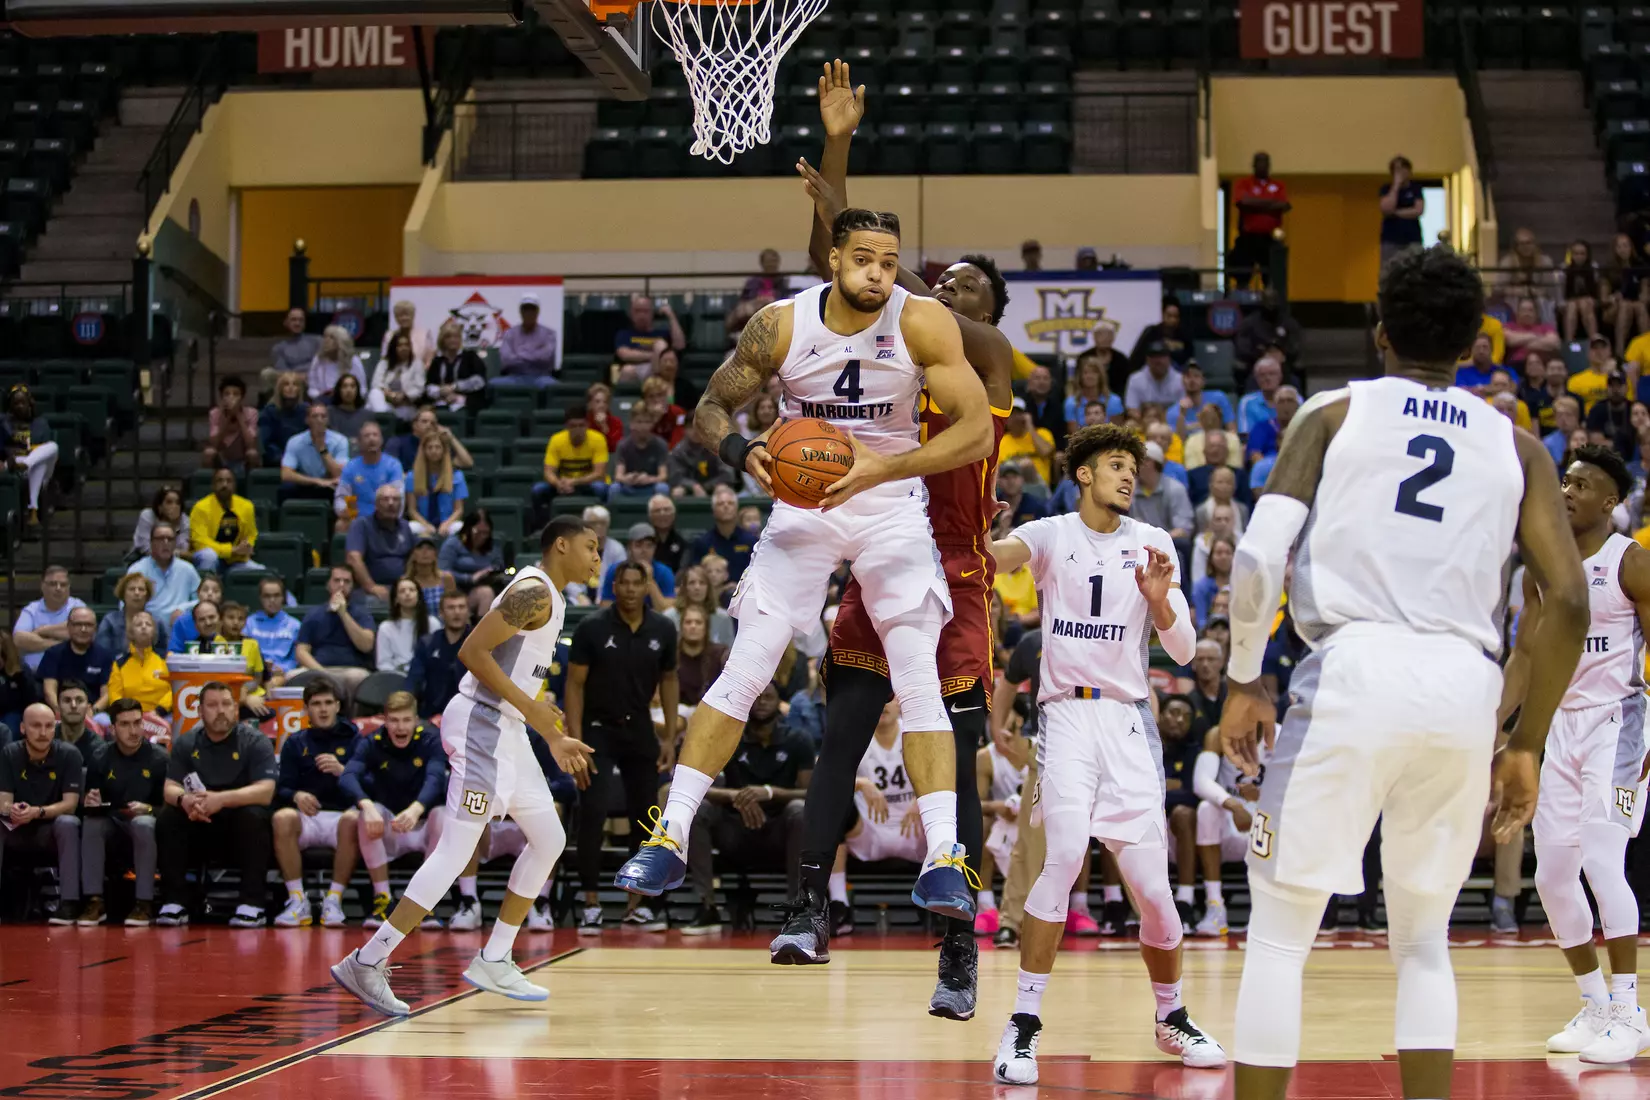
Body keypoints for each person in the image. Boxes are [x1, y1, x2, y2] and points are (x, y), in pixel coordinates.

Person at [1217, 245, 1588, 1100]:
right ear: (1470, 344)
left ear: (1379, 331)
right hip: (1465, 687)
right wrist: (1524, 743)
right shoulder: (1520, 446)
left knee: (1280, 934)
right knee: (1424, 938)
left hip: (1354, 669)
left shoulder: (1334, 414)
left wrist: (1243, 679)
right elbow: (1567, 602)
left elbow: (1259, 559)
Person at [613, 202, 994, 948]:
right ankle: (671, 833)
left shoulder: (922, 323)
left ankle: (945, 853)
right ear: (833, 261)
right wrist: (742, 453)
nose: (879, 274)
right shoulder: (783, 325)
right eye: (864, 261)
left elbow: (976, 430)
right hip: (805, 502)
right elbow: (711, 408)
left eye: (889, 262)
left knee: (914, 663)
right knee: (752, 657)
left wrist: (888, 465)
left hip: (887, 499)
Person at [983, 424, 1218, 1084]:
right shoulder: (1055, 533)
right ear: (1083, 474)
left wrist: (1159, 606)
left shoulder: (1154, 544)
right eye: (1115, 465)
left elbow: (1182, 650)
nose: (1128, 477)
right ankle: (1022, 1026)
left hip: (1125, 721)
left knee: (1153, 891)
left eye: (1132, 468)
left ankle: (1171, 1015)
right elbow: (996, 558)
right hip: (1064, 717)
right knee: (1061, 858)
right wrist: (976, 526)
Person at [331, 517, 599, 1015]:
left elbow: (517, 677)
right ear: (561, 545)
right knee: (456, 851)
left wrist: (551, 731)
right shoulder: (535, 592)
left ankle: (495, 957)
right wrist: (539, 718)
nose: (598, 558)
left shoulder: (556, 599)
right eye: (590, 547)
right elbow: (472, 651)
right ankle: (368, 960)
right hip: (483, 725)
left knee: (550, 839)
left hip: (508, 730)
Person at [1501, 446, 1650, 1062]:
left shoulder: (1632, 561)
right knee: (1553, 876)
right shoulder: (1544, 564)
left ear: (1611, 502)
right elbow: (1527, 656)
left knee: (1601, 858)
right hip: (1556, 726)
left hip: (1620, 722)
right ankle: (1593, 1006)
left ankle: (1629, 1010)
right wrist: (1502, 731)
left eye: (1582, 484)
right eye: (1565, 480)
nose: (1567, 490)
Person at [565, 560, 681, 933]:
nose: (630, 589)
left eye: (637, 583)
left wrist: (669, 738)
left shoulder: (663, 628)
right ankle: (591, 902)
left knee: (646, 818)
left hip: (641, 729)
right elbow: (574, 685)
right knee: (593, 812)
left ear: (647, 586)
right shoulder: (592, 627)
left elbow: (669, 680)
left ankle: (638, 904)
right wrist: (575, 740)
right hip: (597, 732)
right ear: (614, 586)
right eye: (624, 583)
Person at [685, 680, 813, 933]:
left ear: (779, 702)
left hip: (780, 832)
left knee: (799, 810)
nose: (762, 701)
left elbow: (811, 793)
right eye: (757, 696)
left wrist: (769, 793)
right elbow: (695, 784)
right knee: (697, 810)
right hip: (735, 831)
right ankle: (706, 906)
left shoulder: (798, 739)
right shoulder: (728, 739)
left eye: (769, 696)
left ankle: (797, 910)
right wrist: (737, 796)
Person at [155, 682, 277, 927]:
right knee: (168, 816)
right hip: (199, 823)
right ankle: (175, 902)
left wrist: (221, 800)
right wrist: (185, 800)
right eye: (212, 705)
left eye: (226, 704)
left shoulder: (255, 741)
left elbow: (266, 791)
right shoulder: (187, 742)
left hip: (238, 826)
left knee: (254, 815)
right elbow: (170, 787)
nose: (220, 711)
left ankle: (252, 904)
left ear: (235, 708)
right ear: (200, 712)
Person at [342, 691, 449, 928]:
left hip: (421, 827)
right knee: (368, 813)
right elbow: (348, 776)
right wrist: (366, 804)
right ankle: (383, 900)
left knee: (442, 815)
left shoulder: (431, 740)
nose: (400, 727)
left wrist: (416, 809)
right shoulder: (372, 741)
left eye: (406, 720)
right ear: (385, 720)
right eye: (394, 720)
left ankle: (426, 902)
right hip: (388, 827)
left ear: (416, 720)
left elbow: (436, 779)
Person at [271, 679, 366, 928]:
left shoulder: (355, 739)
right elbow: (282, 787)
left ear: (337, 706)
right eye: (316, 704)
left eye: (327, 703)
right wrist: (297, 796)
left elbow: (369, 782)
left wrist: (342, 770)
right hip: (308, 818)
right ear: (306, 710)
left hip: (341, 818)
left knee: (353, 819)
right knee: (282, 818)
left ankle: (333, 900)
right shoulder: (295, 742)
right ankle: (297, 901)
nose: (322, 709)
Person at [75, 697, 166, 927]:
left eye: (137, 723)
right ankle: (95, 901)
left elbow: (173, 808)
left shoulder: (160, 759)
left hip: (152, 829)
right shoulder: (99, 756)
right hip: (113, 826)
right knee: (92, 824)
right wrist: (91, 801)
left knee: (143, 823)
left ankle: (144, 903)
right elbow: (90, 805)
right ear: (113, 729)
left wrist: (149, 809)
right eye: (125, 725)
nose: (134, 730)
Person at [0, 702, 83, 922]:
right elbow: (3, 803)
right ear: (22, 728)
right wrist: (13, 810)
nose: (43, 732)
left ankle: (69, 903)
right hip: (17, 826)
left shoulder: (69, 754)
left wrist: (37, 812)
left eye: (48, 726)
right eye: (36, 726)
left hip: (50, 828)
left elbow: (70, 804)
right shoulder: (9, 753)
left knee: (69, 822)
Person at [294, 566, 377, 697]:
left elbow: (366, 645)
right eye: (337, 580)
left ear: (352, 586)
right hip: (319, 668)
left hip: (350, 670)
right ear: (328, 584)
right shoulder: (313, 614)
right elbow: (301, 651)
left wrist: (343, 613)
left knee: (358, 677)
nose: (341, 585)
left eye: (347, 581)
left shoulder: (362, 613)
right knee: (292, 676)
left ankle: (350, 718)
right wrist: (321, 672)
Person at [406, 589, 472, 719]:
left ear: (468, 612)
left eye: (461, 607)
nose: (457, 612)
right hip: (431, 715)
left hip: (469, 715)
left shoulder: (479, 643)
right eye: (451, 608)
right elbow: (414, 680)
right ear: (441, 613)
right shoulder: (427, 643)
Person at [346, 483, 417, 603]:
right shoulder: (361, 525)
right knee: (373, 601)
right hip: (372, 587)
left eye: (395, 499)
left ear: (401, 505)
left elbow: (414, 557)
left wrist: (408, 579)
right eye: (385, 499)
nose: (391, 503)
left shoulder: (405, 526)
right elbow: (353, 558)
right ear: (376, 504)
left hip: (402, 587)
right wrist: (371, 586)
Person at [536, 404, 611, 517]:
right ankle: (542, 526)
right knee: (538, 490)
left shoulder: (598, 439)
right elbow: (548, 472)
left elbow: (599, 474)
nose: (577, 430)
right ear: (567, 426)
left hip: (588, 484)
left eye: (581, 425)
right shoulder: (556, 440)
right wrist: (558, 483)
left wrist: (574, 482)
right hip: (563, 484)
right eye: (573, 426)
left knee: (600, 488)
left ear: (587, 425)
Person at [188, 467, 261, 576]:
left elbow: (252, 534)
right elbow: (200, 542)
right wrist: (231, 550)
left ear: (235, 485)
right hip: (211, 559)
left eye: (229, 481)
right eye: (220, 481)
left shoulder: (246, 506)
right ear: (213, 485)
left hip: (236, 560)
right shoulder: (200, 508)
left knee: (263, 573)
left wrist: (247, 546)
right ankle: (205, 589)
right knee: (209, 555)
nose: (224, 485)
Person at [1, 384, 57, 526]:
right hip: (13, 464)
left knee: (52, 447)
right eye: (15, 403)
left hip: (34, 466)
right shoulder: (5, 423)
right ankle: (28, 513)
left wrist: (28, 454)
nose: (19, 406)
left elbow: (44, 449)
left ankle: (27, 463)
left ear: (30, 404)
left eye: (22, 402)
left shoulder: (40, 423)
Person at [1231, 151, 1290, 285]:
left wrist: (1255, 203)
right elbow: (1243, 202)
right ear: (1253, 165)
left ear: (1269, 165)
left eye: (1265, 162)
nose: (1262, 166)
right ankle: (1242, 296)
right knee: (1243, 273)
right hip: (1248, 237)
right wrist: (1270, 203)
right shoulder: (1244, 183)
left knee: (1271, 275)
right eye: (1259, 162)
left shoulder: (1278, 185)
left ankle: (1271, 301)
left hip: (1269, 238)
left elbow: (1283, 205)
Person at [13, 566, 87, 672]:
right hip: (34, 675)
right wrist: (61, 645)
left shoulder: (78, 606)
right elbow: (19, 639)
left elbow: (78, 632)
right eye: (53, 584)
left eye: (63, 584)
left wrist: (42, 630)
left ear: (69, 587)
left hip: (69, 675)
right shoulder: (31, 610)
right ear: (43, 586)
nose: (58, 588)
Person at [39, 607, 111, 713]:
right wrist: (58, 710)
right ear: (69, 627)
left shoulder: (105, 656)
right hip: (58, 711)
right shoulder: (53, 653)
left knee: (104, 721)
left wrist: (93, 710)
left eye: (88, 625)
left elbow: (107, 694)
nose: (83, 629)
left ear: (95, 628)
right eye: (78, 624)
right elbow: (49, 691)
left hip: (93, 713)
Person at [683, 484, 759, 583]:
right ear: (713, 510)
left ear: (736, 509)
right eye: (720, 504)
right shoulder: (702, 542)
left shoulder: (751, 542)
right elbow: (696, 574)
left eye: (730, 503)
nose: (726, 506)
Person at [336, 421, 406, 526]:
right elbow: (343, 497)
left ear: (381, 440)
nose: (371, 439)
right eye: (367, 436)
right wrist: (352, 514)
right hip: (358, 520)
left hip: (386, 517)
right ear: (359, 442)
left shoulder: (393, 465)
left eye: (375, 435)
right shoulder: (351, 467)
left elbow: (398, 497)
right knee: (340, 525)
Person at [106, 612, 169, 723]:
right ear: (131, 632)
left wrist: (159, 711)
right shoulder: (120, 664)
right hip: (128, 718)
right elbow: (115, 695)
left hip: (161, 716)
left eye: (148, 624)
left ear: (154, 632)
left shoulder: (167, 660)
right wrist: (128, 714)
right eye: (139, 624)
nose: (144, 626)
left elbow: (173, 690)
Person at [281, 401, 349, 503]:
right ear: (307, 420)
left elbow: (340, 474)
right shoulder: (295, 441)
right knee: (284, 489)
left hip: (331, 486)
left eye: (323, 416)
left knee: (349, 488)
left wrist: (322, 449)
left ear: (328, 420)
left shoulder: (340, 440)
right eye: (315, 416)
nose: (319, 420)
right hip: (306, 484)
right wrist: (317, 481)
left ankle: (351, 518)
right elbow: (285, 474)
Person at [440, 508, 504, 616]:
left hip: (485, 587)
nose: (482, 537)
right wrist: (470, 578)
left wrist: (490, 572)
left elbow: (499, 566)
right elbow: (442, 572)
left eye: (486, 533)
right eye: (478, 532)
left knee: (487, 592)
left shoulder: (493, 546)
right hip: (456, 591)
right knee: (486, 593)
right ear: (468, 529)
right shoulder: (453, 544)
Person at [598, 523, 677, 610]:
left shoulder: (664, 572)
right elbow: (606, 607)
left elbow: (666, 611)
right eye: (638, 545)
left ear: (655, 548)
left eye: (649, 545)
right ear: (630, 548)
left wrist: (650, 581)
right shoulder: (615, 570)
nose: (644, 551)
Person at [405, 431, 468, 538]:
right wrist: (426, 525)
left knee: (461, 527)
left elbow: (459, 509)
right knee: (410, 526)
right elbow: (412, 509)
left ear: (444, 450)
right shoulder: (412, 476)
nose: (434, 451)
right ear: (423, 450)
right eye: (429, 447)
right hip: (423, 523)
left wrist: (446, 524)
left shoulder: (457, 476)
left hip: (448, 523)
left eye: (438, 447)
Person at [613, 293, 685, 381]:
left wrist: (671, 316)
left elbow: (680, 345)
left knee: (660, 344)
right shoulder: (624, 333)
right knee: (627, 370)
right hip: (635, 369)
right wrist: (655, 355)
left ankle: (657, 386)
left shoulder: (661, 333)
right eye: (637, 311)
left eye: (645, 311)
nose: (641, 315)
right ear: (631, 313)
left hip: (660, 370)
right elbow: (624, 354)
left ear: (652, 313)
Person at [376, 577, 438, 676]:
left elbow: (437, 655)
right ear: (396, 599)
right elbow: (384, 663)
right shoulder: (386, 627)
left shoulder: (432, 623)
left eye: (412, 590)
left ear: (419, 596)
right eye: (402, 591)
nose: (407, 593)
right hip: (396, 678)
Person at [495, 293, 560, 387]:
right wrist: (534, 354)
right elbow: (506, 359)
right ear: (521, 312)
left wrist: (520, 354)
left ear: (537, 312)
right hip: (515, 376)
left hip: (541, 377)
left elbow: (546, 357)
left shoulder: (549, 334)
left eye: (532, 309)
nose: (529, 313)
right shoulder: (510, 333)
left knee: (553, 386)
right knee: (493, 384)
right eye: (525, 309)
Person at [204, 375, 261, 475]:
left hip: (243, 459)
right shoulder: (215, 413)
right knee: (209, 453)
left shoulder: (252, 413)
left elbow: (251, 444)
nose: (231, 397)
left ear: (242, 398)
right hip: (222, 459)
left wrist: (238, 416)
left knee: (253, 454)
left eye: (236, 394)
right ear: (222, 397)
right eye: (227, 394)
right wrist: (227, 418)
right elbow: (214, 444)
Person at [246, 576, 303, 678]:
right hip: (255, 673)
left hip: (283, 674)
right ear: (260, 598)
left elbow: (297, 657)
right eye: (267, 596)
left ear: (283, 598)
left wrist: (285, 668)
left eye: (276, 595)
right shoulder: (249, 623)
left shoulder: (295, 625)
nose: (272, 600)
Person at [425, 320, 488, 411]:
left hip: (467, 402)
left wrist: (454, 387)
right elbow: (429, 386)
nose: (453, 340)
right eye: (448, 337)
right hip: (441, 401)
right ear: (442, 340)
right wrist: (441, 391)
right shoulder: (437, 361)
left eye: (456, 337)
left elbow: (479, 381)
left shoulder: (470, 357)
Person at [612, 407, 671, 498]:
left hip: (651, 485)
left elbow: (663, 476)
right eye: (639, 422)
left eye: (647, 422)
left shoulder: (660, 444)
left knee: (663, 488)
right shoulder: (623, 445)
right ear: (632, 424)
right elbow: (618, 476)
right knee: (614, 488)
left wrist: (648, 479)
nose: (643, 426)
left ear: (652, 424)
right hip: (630, 486)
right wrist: (628, 478)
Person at [1377, 155, 1424, 267]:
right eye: (1397, 169)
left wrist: (1396, 213)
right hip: (1391, 239)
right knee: (1389, 270)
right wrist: (1396, 186)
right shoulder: (1386, 189)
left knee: (1415, 270)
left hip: (1412, 238)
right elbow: (1386, 208)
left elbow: (1418, 210)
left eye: (1403, 169)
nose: (1400, 172)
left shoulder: (1415, 188)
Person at [368, 331, 426, 421]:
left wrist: (404, 396)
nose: (404, 348)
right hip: (385, 403)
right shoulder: (384, 363)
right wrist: (388, 394)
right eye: (399, 345)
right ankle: (384, 419)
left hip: (405, 406)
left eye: (406, 345)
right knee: (374, 393)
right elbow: (376, 383)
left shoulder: (417, 364)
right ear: (393, 347)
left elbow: (419, 389)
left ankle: (383, 421)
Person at [999, 399, 1055, 486]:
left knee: (1027, 465)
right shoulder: (1001, 441)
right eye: (1011, 415)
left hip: (1039, 489)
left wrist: (1030, 427)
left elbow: (1046, 452)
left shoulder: (1042, 433)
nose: (1015, 418)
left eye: (1019, 413)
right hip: (1011, 489)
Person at [260, 372, 309, 469]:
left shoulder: (306, 410)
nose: (291, 387)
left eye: (294, 384)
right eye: (286, 384)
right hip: (277, 459)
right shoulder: (269, 411)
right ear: (280, 388)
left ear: (299, 389)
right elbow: (266, 442)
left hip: (302, 457)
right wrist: (284, 458)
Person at [132, 486, 190, 565]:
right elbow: (146, 548)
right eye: (169, 502)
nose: (174, 506)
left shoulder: (184, 520)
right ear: (160, 507)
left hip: (174, 561)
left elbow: (184, 549)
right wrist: (174, 553)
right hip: (143, 558)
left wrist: (174, 524)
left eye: (178, 503)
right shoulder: (147, 516)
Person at [1124, 341, 1185, 416]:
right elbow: (1132, 409)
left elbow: (1184, 409)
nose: (1158, 361)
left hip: (1173, 423)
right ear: (1147, 359)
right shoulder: (1135, 379)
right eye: (1154, 357)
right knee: (1131, 424)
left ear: (1169, 358)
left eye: (1162, 356)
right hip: (1145, 422)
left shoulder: (1181, 380)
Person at [307, 325, 367, 401]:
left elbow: (362, 389)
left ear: (341, 341)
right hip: (323, 401)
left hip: (348, 401)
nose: (326, 340)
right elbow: (312, 388)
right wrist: (319, 395)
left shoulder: (353, 360)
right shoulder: (318, 360)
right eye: (325, 337)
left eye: (331, 337)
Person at [1565, 239, 1604, 345]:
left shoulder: (1593, 268)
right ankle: (1569, 344)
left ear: (1587, 255)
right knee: (1572, 306)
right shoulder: (1564, 269)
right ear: (1571, 255)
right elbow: (1563, 294)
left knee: (1584, 303)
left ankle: (1594, 343)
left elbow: (1597, 291)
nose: (1579, 256)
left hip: (1589, 300)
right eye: (1576, 253)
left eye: (1582, 253)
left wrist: (1593, 299)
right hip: (1570, 301)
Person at [271, 307, 322, 387]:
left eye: (301, 320)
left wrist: (307, 375)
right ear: (286, 322)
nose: (297, 323)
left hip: (312, 379)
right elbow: (282, 370)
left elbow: (320, 365)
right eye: (293, 320)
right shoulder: (278, 348)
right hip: (290, 381)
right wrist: (298, 377)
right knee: (268, 373)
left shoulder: (316, 341)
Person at [326, 373, 372, 442]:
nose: (349, 390)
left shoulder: (367, 415)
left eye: (352, 386)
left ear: (357, 390)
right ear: (339, 390)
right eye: (344, 386)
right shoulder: (329, 413)